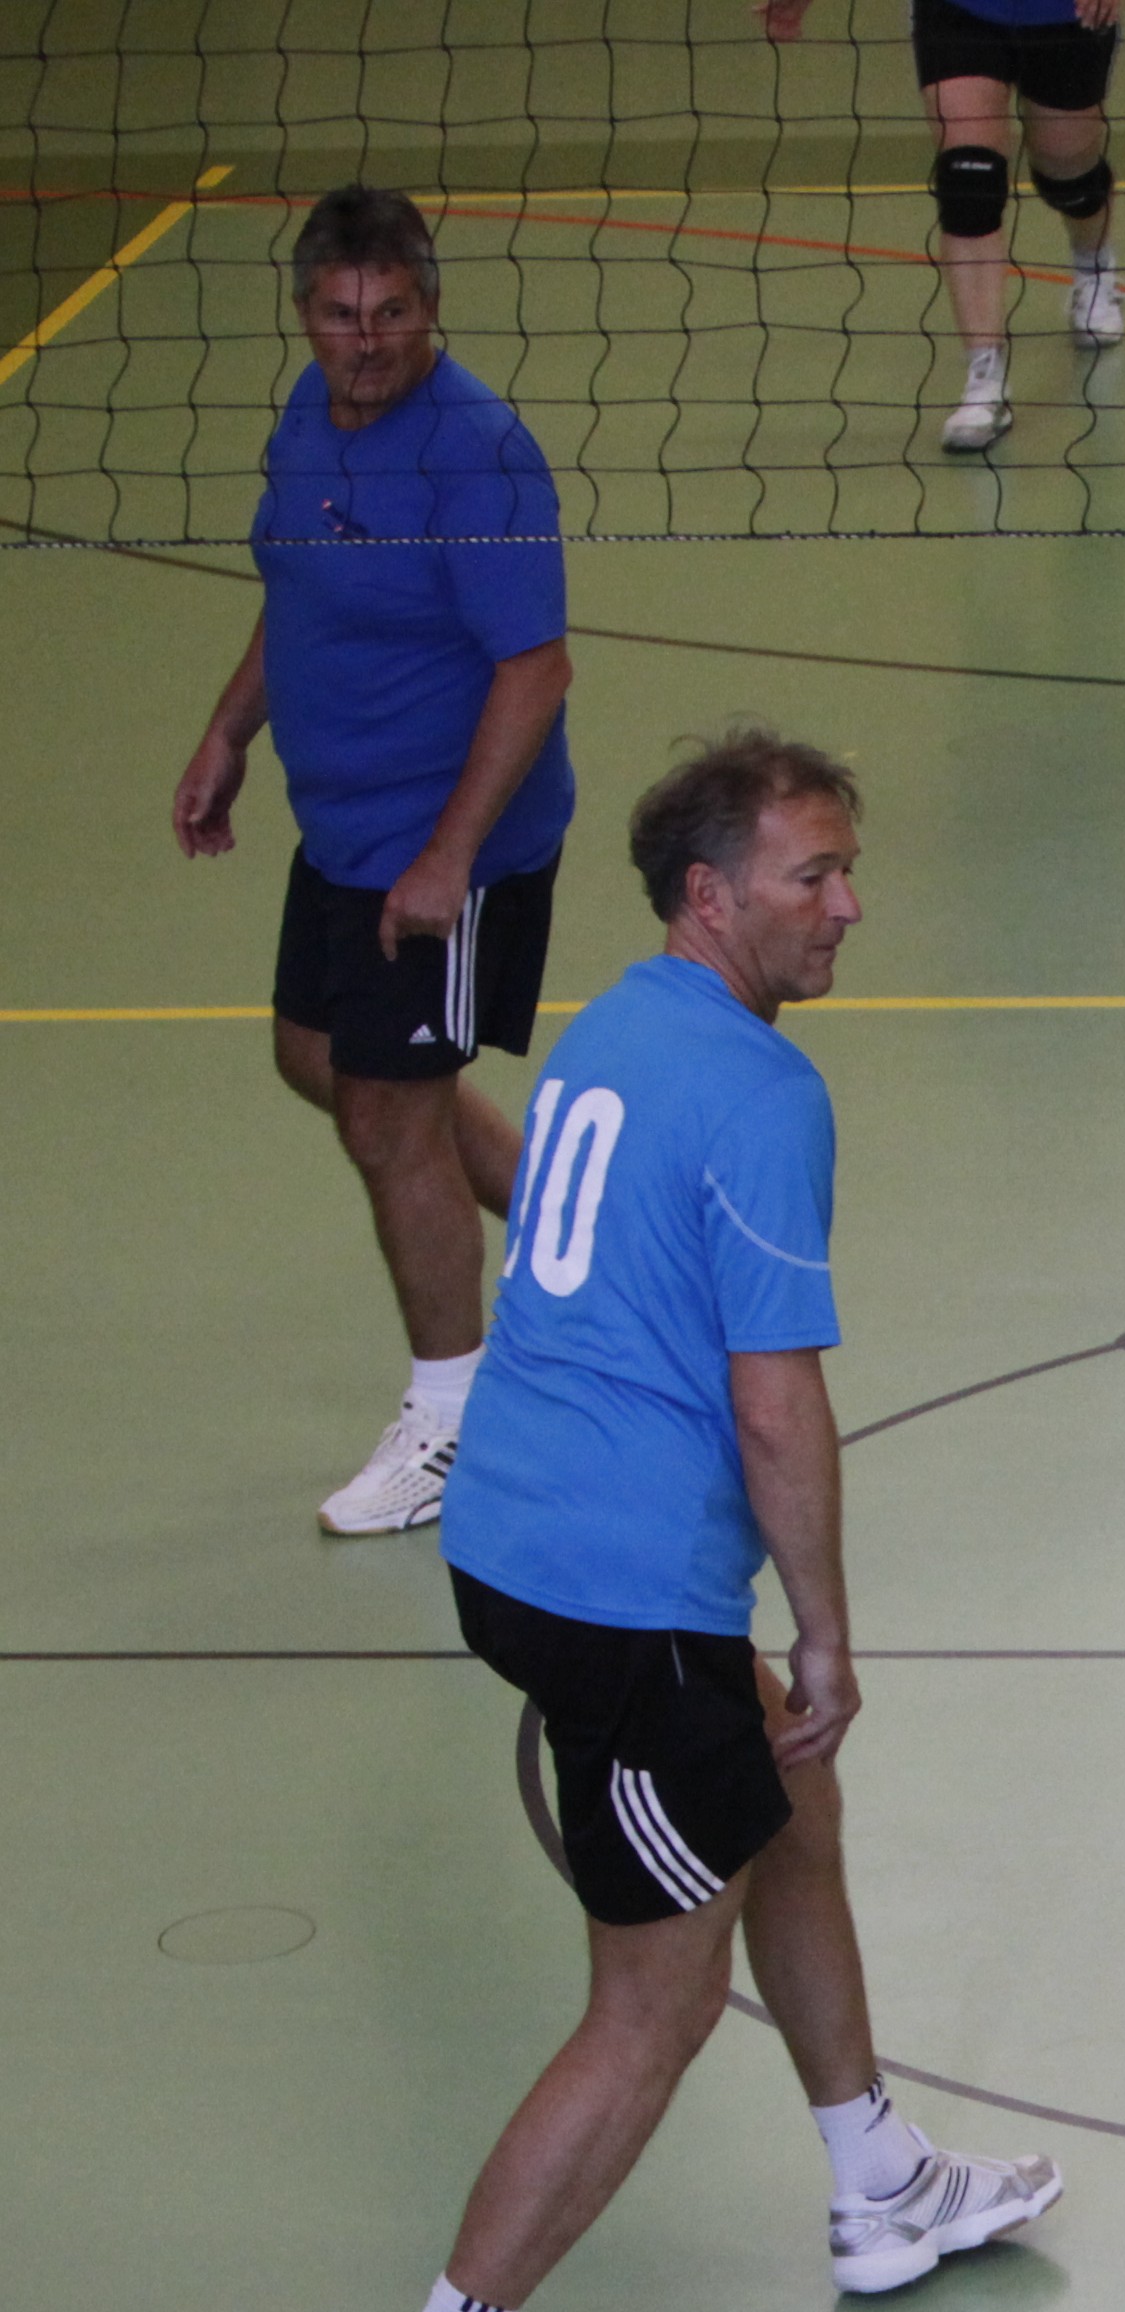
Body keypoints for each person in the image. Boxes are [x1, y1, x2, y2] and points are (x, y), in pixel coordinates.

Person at [352, 734, 1062, 2312]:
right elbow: (774, 1399)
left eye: (846, 869)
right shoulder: (762, 1094)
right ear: (709, 895)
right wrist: (823, 1629)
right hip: (617, 1591)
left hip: (527, 1527)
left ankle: (877, 2177)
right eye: (811, 875)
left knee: (789, 1799)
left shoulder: (616, 1027)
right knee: (650, 2008)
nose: (847, 905)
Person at [173, 184, 575, 1539]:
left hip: (448, 842)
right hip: (343, 830)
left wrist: (450, 857)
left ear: (429, 306)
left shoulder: (477, 455)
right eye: (343, 316)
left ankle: (454, 1419)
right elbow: (294, 591)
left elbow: (535, 671)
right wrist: (228, 732)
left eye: (393, 313)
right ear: (305, 314)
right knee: (316, 1059)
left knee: (387, 1119)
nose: (367, 342)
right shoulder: (306, 417)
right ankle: (584, 1230)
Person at [755, 0, 1125, 453]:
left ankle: (1093, 265)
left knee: (1069, 179)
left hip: (1065, 14)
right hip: (959, 11)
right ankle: (985, 380)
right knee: (968, 183)